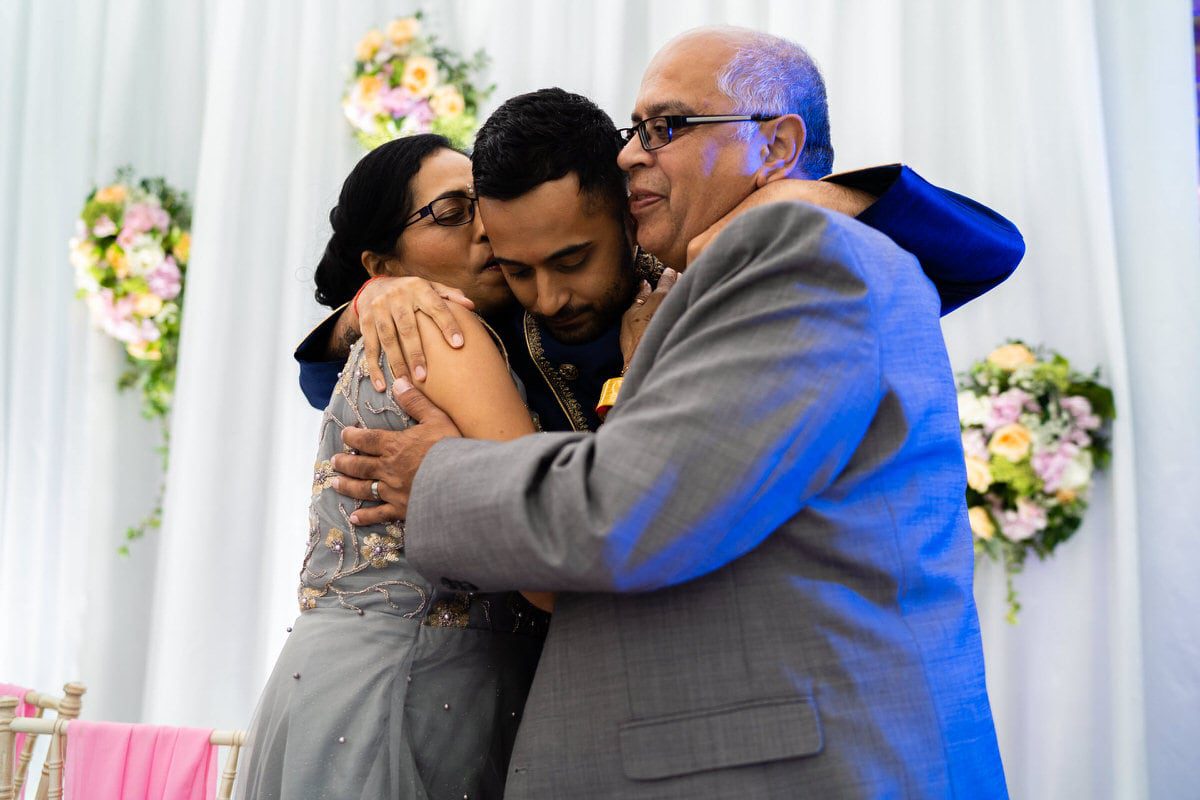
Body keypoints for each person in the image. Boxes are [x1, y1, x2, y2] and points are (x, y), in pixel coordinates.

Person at [331, 27, 1008, 798]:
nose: (630, 155)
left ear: (777, 142)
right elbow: (341, 371)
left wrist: (439, 479)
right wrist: (373, 294)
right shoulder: (579, 301)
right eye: (635, 129)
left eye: (668, 127)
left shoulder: (796, 246)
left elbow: (632, 505)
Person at [236, 134, 551, 800]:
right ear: (382, 262)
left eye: (482, 200)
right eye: (450, 209)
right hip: (412, 680)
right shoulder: (439, 327)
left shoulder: (442, 324)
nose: (484, 223)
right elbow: (539, 536)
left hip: (349, 675)